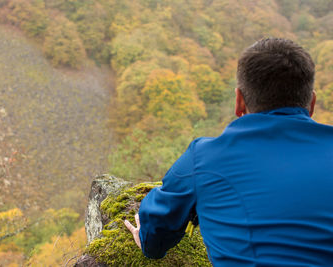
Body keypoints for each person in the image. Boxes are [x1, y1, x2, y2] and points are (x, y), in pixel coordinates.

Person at [124, 38, 333, 266]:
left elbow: (156, 233)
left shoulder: (204, 158)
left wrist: (146, 239)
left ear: (239, 102)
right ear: (311, 104)